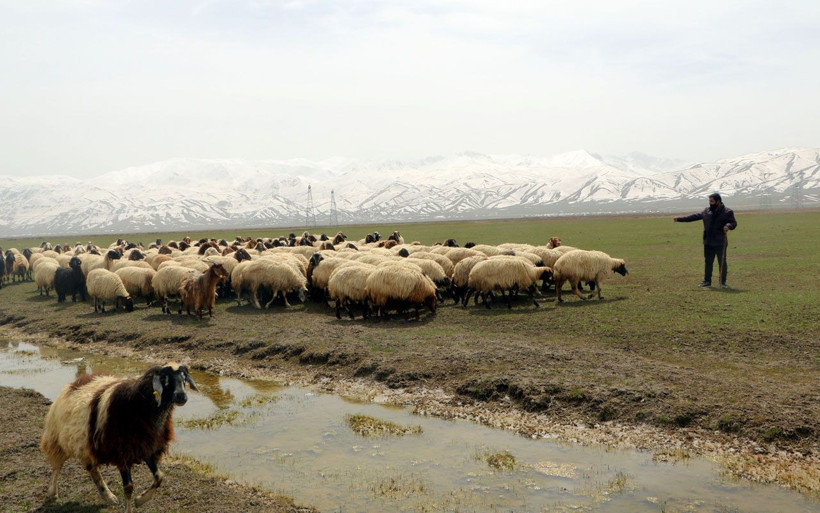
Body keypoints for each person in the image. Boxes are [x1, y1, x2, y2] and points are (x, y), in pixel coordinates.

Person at [673, 192, 737, 288]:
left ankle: (722, 282)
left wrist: (728, 226)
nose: (710, 203)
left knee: (722, 262)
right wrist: (679, 219)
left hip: (720, 242)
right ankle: (707, 281)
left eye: (712, 201)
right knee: (708, 262)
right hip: (708, 241)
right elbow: (693, 217)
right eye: (709, 201)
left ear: (718, 201)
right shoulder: (706, 211)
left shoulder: (727, 212)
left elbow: (733, 223)